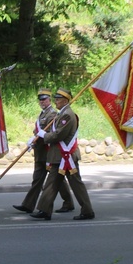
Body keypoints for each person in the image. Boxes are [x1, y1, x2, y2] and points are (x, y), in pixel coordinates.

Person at [31, 88, 95, 221]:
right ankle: (44, 210)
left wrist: (44, 135)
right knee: (51, 183)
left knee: (76, 184)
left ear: (66, 100)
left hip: (66, 156)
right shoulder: (62, 113)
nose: (56, 101)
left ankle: (87, 210)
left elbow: (59, 135)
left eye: (58, 99)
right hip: (58, 156)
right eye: (55, 98)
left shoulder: (67, 115)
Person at [13, 88, 73, 214]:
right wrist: (33, 139)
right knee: (39, 179)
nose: (42, 102)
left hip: (48, 151)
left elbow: (50, 133)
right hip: (40, 152)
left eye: (45, 99)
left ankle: (68, 202)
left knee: (57, 179)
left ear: (49, 99)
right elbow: (38, 131)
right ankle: (28, 205)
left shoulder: (52, 114)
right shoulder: (43, 114)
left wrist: (38, 138)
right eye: (40, 100)